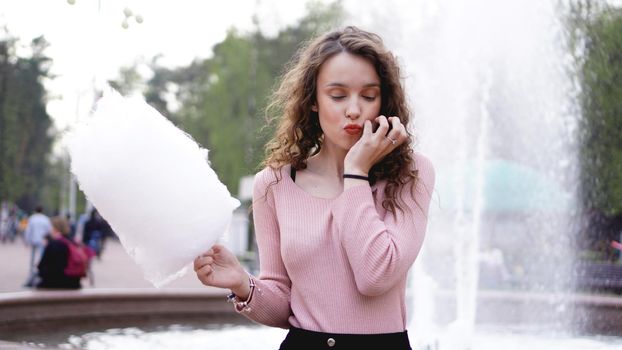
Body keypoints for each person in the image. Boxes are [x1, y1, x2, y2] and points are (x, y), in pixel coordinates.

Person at [193, 26, 435, 350]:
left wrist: (356, 173)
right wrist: (242, 284)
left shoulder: (412, 173)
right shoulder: (275, 184)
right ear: (313, 101)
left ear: (384, 101)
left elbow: (375, 276)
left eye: (368, 95)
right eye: (337, 95)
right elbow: (284, 304)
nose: (353, 109)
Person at [36, 216, 83, 289]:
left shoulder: (53, 244)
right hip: (74, 283)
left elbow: (41, 266)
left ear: (55, 229)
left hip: (54, 284)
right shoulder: (73, 243)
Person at [23, 206, 52, 287]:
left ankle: (32, 272)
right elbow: (49, 230)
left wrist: (27, 240)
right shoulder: (45, 219)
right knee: (42, 257)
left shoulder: (32, 218)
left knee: (33, 258)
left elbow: (28, 230)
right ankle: (40, 271)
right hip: (42, 241)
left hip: (33, 240)